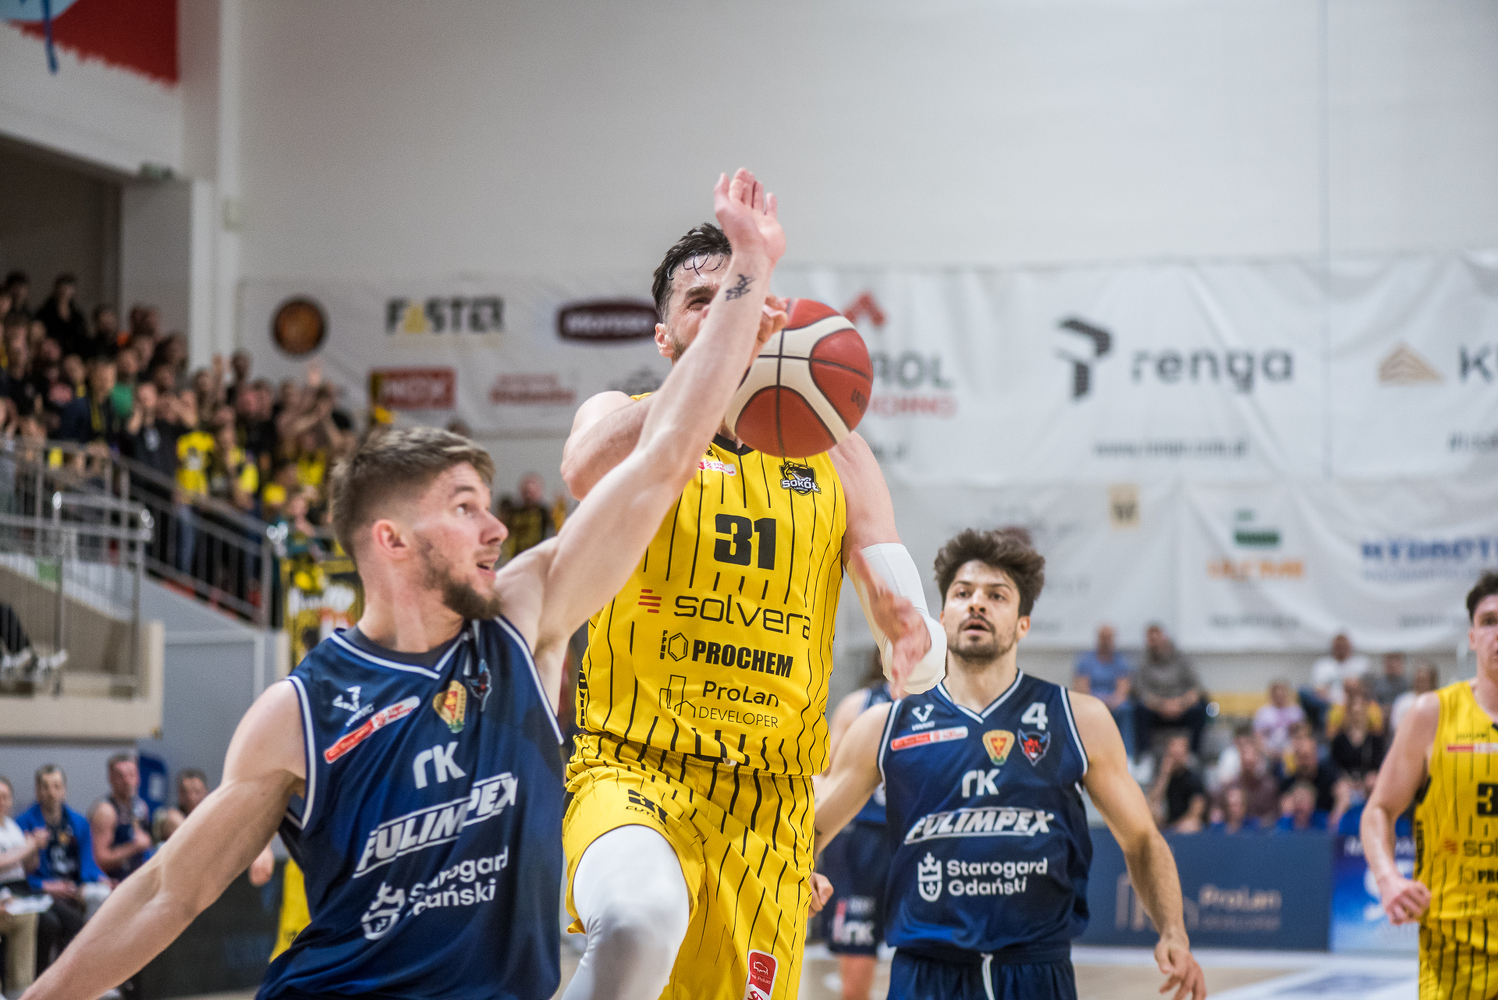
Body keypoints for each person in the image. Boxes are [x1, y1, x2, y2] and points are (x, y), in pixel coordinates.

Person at [16, 167, 795, 1000]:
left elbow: (665, 458)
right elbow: (168, 892)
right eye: (464, 508)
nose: (496, 529)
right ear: (390, 539)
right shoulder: (300, 711)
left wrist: (748, 270)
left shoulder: (522, 621)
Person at [555, 215, 947, 1000]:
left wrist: (909, 633)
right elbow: (582, 470)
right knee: (636, 921)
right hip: (633, 766)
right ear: (664, 335)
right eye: (701, 300)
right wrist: (712, 373)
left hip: (769, 805)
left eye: (739, 294)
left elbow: (904, 616)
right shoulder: (621, 415)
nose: (723, 310)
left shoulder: (836, 449)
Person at [813, 528, 1205, 1000]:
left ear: (1023, 624)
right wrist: (798, 871)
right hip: (925, 973)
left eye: (996, 595)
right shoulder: (884, 724)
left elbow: (1141, 838)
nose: (977, 603)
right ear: (942, 617)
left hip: (1035, 971)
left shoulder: (1078, 718)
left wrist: (1173, 931)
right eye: (963, 593)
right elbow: (809, 827)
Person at [1364, 571, 1498, 996]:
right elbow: (1378, 810)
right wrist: (1388, 878)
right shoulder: (1432, 714)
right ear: (1472, 637)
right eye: (1489, 621)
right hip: (1455, 952)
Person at [816, 654, 894, 1000]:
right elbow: (824, 775)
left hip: (917, 840)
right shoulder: (860, 705)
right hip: (858, 839)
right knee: (857, 958)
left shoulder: (948, 706)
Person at [15, 766, 109, 973]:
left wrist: (97, 878)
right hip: (39, 889)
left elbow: (88, 862)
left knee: (102, 894)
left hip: (72, 885)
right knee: (54, 924)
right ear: (37, 791)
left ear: (64, 789)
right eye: (46, 787)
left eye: (57, 786)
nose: (52, 792)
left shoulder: (79, 822)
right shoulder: (23, 823)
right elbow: (18, 875)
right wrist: (45, 885)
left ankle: (92, 967)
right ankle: (52, 975)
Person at [1132, 624, 1209, 756]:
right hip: (1157, 709)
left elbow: (1197, 688)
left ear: (1165, 638)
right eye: (1151, 641)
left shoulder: (1182, 658)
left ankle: (1193, 755)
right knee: (1139, 709)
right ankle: (1144, 757)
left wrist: (1180, 703)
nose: (1154, 644)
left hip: (1182, 707)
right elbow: (1141, 691)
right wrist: (1163, 705)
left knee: (1201, 708)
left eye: (1156, 640)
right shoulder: (1144, 662)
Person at [87, 756, 153, 884]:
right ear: (111, 778)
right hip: (110, 882)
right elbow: (98, 860)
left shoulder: (141, 806)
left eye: (131, 775)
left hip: (135, 879)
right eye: (121, 776)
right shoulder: (105, 811)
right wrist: (133, 847)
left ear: (138, 778)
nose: (127, 781)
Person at [1071, 624, 1134, 753]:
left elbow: (1123, 688)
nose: (1105, 641)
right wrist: (1099, 701)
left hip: (1114, 703)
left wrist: (1113, 701)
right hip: (1092, 700)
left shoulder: (1120, 661)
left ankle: (1127, 753)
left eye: (1108, 637)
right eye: (1103, 637)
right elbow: (1081, 689)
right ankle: (1086, 751)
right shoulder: (1086, 660)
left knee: (1126, 709)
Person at [1303, 632, 1370, 731]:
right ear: (1333, 647)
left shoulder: (1360, 664)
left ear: (1350, 647)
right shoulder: (1322, 665)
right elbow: (1318, 689)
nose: (1341, 649)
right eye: (1338, 646)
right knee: (1304, 692)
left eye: (1344, 646)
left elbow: (1363, 687)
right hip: (1329, 703)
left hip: (1353, 703)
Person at [1275, 721, 1339, 813]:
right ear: (1295, 759)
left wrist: (1336, 813)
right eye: (1301, 758)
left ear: (1315, 757)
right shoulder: (1288, 783)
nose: (1305, 763)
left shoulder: (1328, 775)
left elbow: (1342, 792)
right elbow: (1285, 810)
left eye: (1307, 757)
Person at [1147, 734, 1207, 832]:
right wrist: (1164, 775)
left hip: (1183, 825)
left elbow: (1196, 812)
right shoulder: (1163, 778)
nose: (1175, 759)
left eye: (1179, 755)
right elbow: (1152, 801)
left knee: (1193, 824)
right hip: (1165, 824)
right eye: (1172, 755)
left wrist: (1174, 827)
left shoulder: (1193, 779)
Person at [497, 473, 555, 560]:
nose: (528, 496)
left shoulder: (545, 513)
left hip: (538, 557)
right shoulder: (514, 513)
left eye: (532, 493)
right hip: (517, 557)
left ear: (539, 492)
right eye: (525, 492)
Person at [34, 276, 87, 359]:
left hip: (72, 356)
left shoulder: (77, 316)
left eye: (68, 288)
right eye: (62, 288)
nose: (65, 291)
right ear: (56, 289)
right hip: (50, 354)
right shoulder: (45, 312)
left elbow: (82, 338)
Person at [150, 769, 208, 843]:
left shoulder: (212, 817)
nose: (191, 797)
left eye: (196, 792)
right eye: (184, 792)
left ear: (206, 793)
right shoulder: (172, 817)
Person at [1252, 679, 1304, 756]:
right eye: (1277, 694)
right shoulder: (1263, 713)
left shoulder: (1296, 712)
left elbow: (1302, 734)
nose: (1280, 696)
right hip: (1268, 752)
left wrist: (1293, 749)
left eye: (1282, 693)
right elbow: (1257, 736)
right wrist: (1268, 752)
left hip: (1292, 751)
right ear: (1272, 695)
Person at [1390, 661, 1438, 733]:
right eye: (1419, 679)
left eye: (1424, 680)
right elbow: (1395, 725)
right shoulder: (1403, 701)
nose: (1421, 683)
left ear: (1432, 681)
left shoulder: (1437, 702)